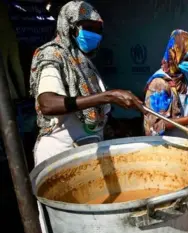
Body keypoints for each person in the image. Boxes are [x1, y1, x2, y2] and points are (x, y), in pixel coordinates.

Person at [30, 1, 145, 166]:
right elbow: (47, 104)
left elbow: (94, 105)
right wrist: (109, 96)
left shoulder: (83, 62)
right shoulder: (53, 54)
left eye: (98, 30)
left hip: (86, 151)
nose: (95, 35)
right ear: (70, 26)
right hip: (60, 155)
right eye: (88, 28)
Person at [143, 29, 188, 137]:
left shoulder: (186, 78)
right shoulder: (159, 83)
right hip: (168, 148)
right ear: (174, 54)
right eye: (186, 58)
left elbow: (187, 112)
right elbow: (155, 126)